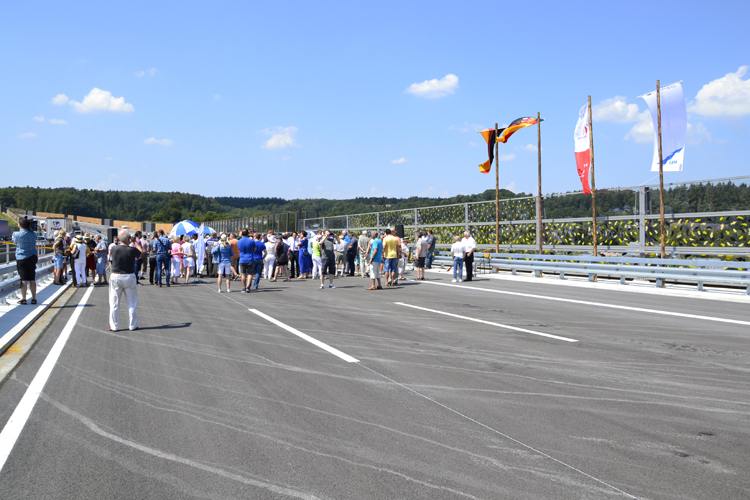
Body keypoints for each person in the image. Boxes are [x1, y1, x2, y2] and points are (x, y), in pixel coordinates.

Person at [108, 229, 143, 332]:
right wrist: (134, 241)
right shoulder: (132, 250)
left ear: (118, 239)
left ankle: (114, 326)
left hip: (116, 276)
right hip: (129, 276)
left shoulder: (114, 248)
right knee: (131, 302)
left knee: (114, 302)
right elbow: (141, 253)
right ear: (129, 238)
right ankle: (133, 325)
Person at [12, 217, 39, 304]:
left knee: (23, 279)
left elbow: (15, 242)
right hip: (32, 257)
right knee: (32, 278)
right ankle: (34, 298)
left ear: (20, 225)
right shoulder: (33, 234)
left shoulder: (18, 234)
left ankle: (24, 299)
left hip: (22, 258)